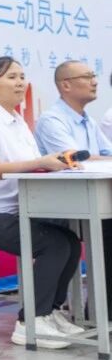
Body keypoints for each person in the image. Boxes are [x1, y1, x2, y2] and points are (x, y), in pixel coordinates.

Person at [0, 56, 81, 348]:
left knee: (71, 242)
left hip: (15, 210)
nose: (20, 83)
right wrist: (40, 162)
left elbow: (31, 167)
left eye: (22, 77)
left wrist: (54, 164)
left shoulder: (19, 122)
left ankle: (49, 312)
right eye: (11, 77)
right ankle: (30, 323)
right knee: (54, 245)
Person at [34, 59, 112, 320]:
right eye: (87, 77)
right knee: (108, 230)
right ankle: (101, 313)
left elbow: (106, 153)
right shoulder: (52, 120)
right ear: (66, 85)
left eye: (94, 76)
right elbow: (75, 159)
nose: (94, 81)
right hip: (59, 206)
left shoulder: (87, 121)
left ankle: (100, 311)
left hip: (88, 201)